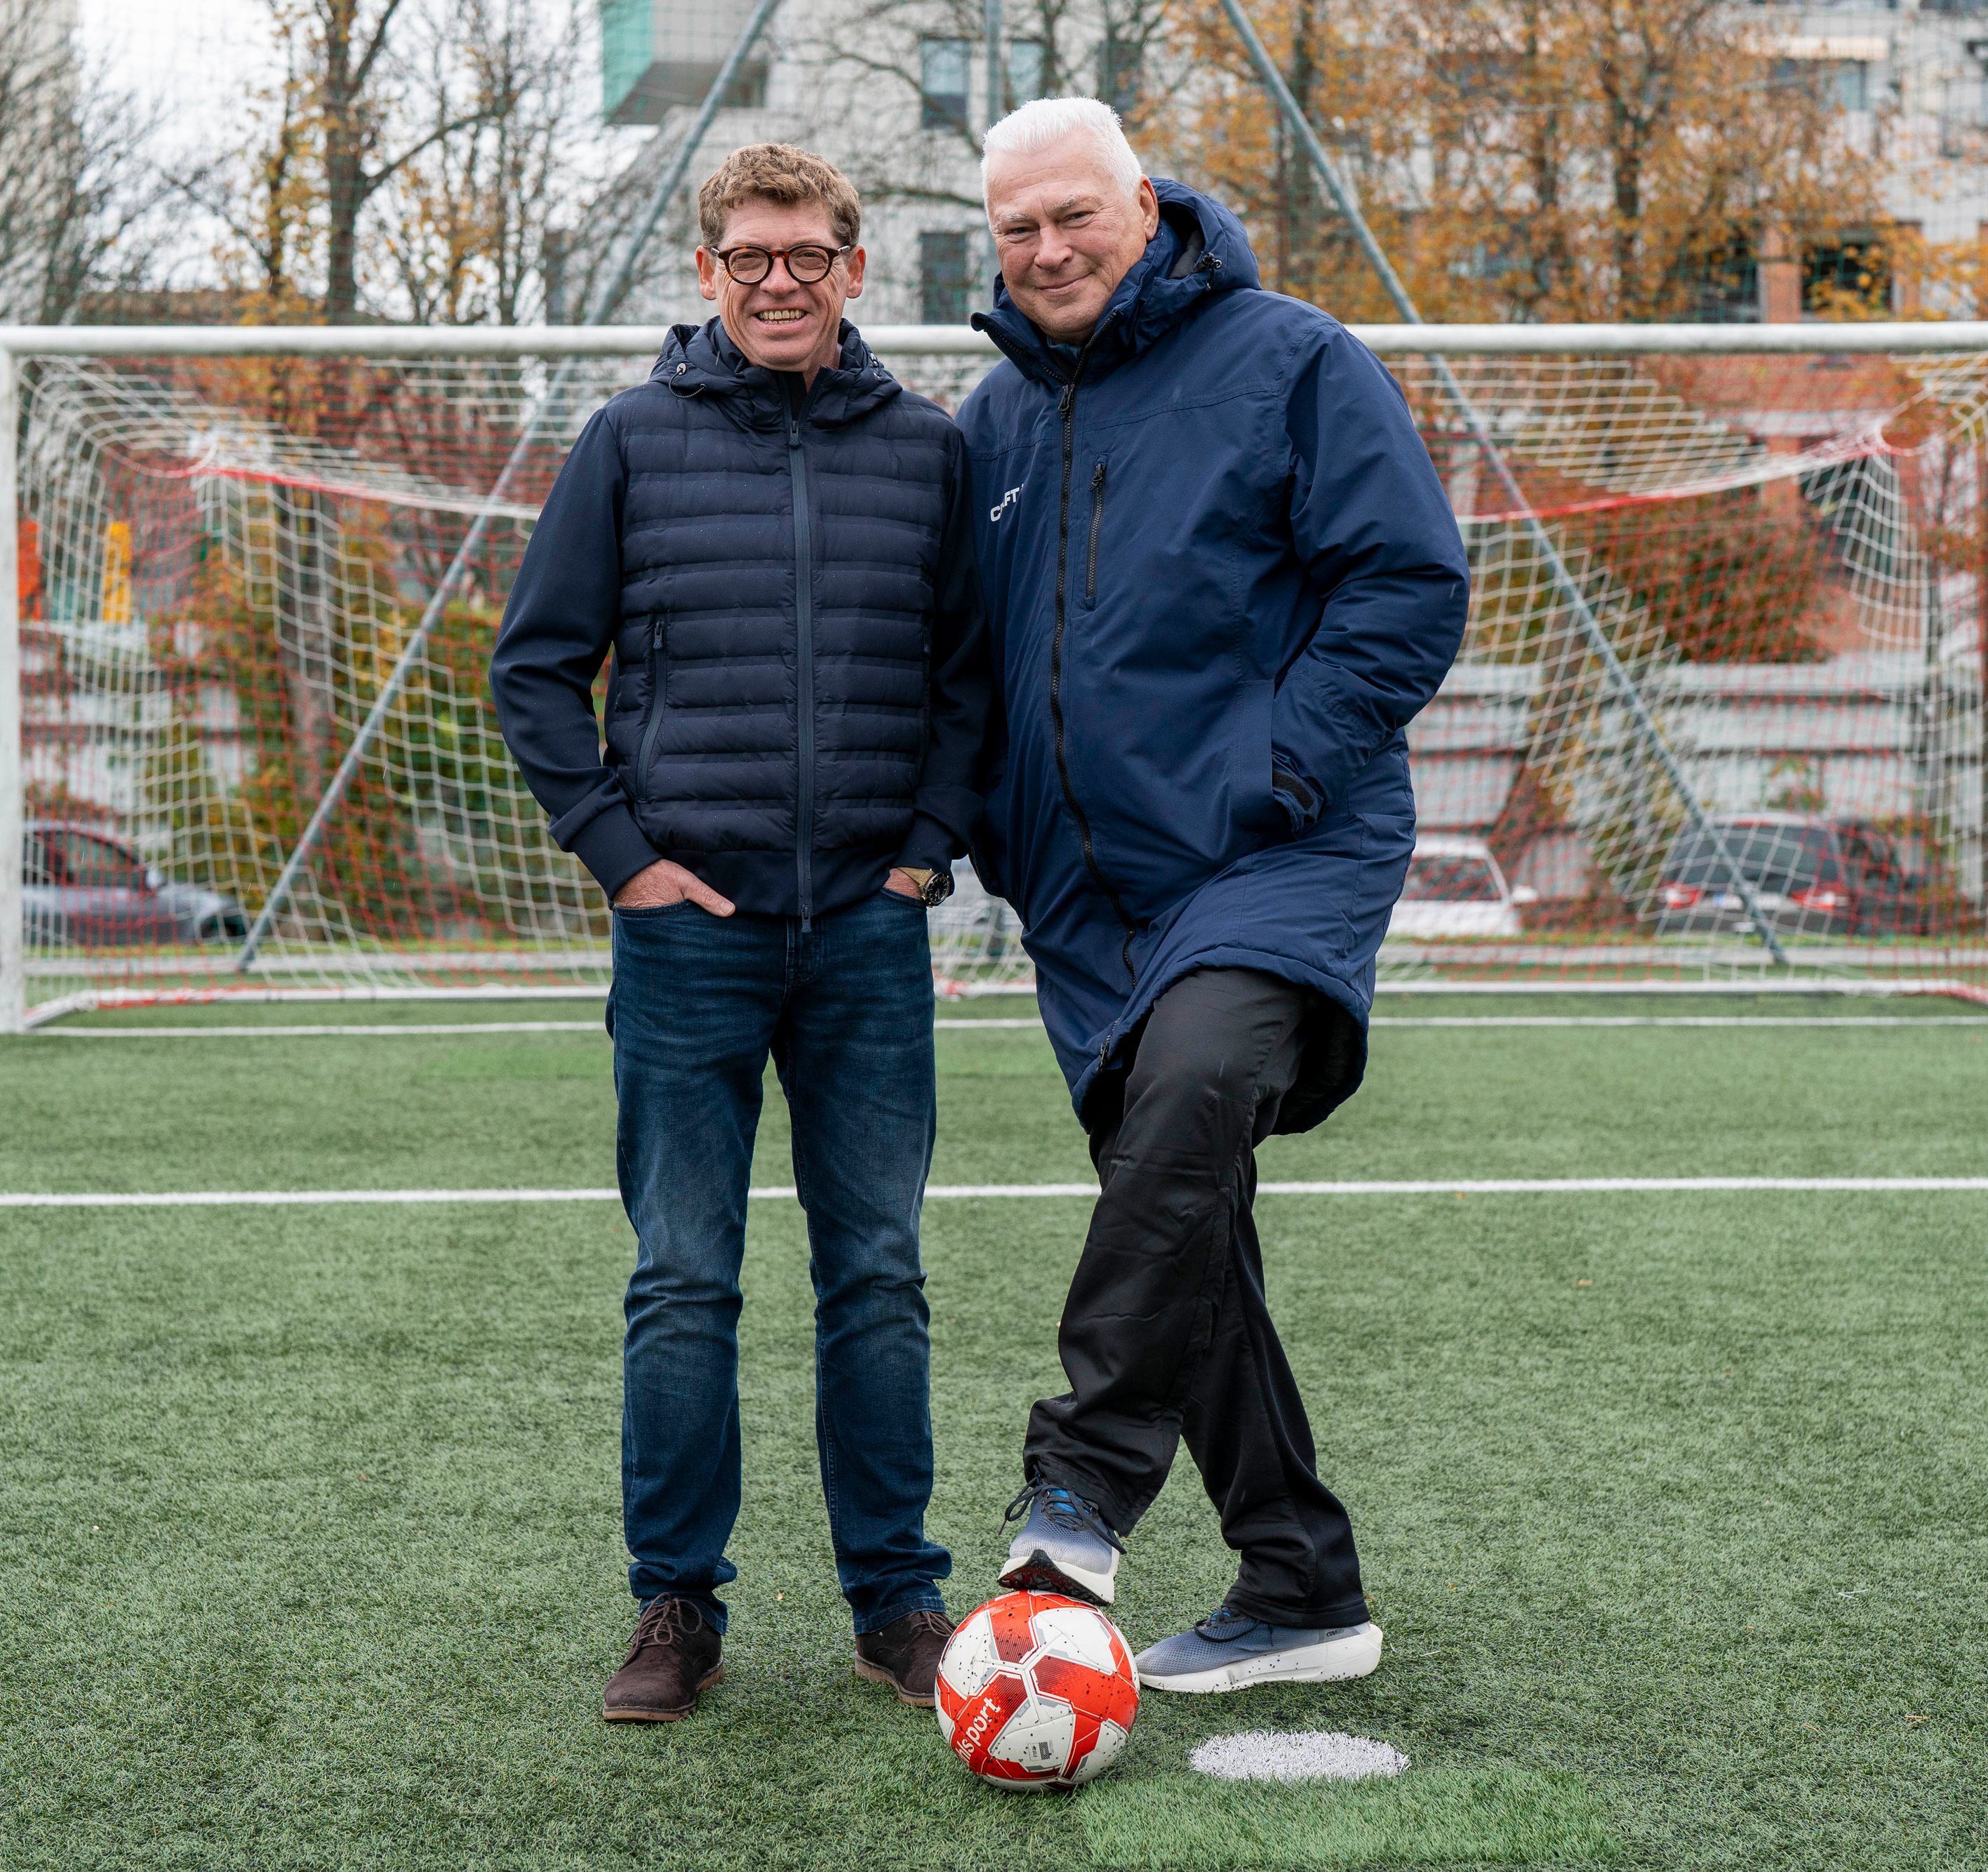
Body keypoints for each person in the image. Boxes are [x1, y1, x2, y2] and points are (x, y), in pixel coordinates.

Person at [959, 99, 1469, 1693]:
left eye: (1073, 217)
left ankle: (1079, 1484)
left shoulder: (1291, 358)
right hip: (1084, 903)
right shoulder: (985, 420)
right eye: (1016, 230)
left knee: (1189, 1096)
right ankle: (1301, 1580)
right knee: (1184, 1216)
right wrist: (987, 827)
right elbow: (966, 666)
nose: (1047, 251)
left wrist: (1275, 765)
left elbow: (1408, 582)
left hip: (1273, 853)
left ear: (1145, 201)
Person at [490, 143, 987, 1723]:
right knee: (682, 1278)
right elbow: (532, 667)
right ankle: (675, 1605)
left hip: (862, 930)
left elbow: (967, 681)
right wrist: (621, 856)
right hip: (685, 936)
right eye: (749, 255)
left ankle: (896, 1600)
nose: (781, 278)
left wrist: (921, 853)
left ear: (853, 267)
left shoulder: (927, 450)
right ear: (705, 274)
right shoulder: (627, 442)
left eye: (810, 253)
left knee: (880, 1275)